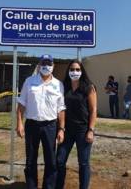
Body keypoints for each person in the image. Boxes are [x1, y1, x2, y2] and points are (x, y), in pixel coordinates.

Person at [16, 54, 66, 189]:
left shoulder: (58, 84)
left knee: (50, 160)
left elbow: (61, 109)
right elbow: (21, 104)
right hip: (32, 125)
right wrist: (19, 123)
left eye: (49, 63)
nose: (46, 66)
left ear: (53, 66)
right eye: (43, 63)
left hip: (50, 126)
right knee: (31, 160)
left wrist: (61, 129)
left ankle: (48, 186)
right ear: (39, 65)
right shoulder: (29, 81)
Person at [55, 60, 97, 189]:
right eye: (72, 69)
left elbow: (93, 109)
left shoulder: (89, 87)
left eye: (78, 69)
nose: (75, 72)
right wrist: (60, 128)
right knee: (59, 161)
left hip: (83, 130)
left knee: (83, 163)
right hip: (67, 130)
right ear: (68, 72)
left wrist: (91, 130)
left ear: (82, 71)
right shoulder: (64, 86)